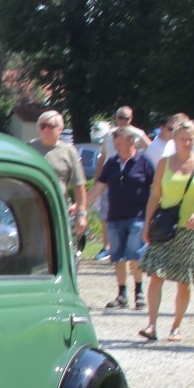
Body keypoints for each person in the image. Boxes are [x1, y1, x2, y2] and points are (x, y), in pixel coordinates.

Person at [138, 119, 194, 342]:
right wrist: (147, 225)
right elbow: (155, 195)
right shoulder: (164, 163)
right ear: (174, 139)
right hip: (164, 228)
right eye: (182, 138)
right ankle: (151, 325)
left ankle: (176, 326)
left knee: (184, 281)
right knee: (156, 276)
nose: (187, 142)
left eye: (191, 138)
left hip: (190, 230)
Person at [91, 127, 157, 310]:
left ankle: (139, 292)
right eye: (115, 144)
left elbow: (156, 188)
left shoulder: (143, 162)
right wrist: (81, 205)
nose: (117, 147)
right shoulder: (112, 162)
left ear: (131, 142)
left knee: (134, 254)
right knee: (118, 256)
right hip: (115, 217)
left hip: (137, 217)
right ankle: (122, 294)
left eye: (119, 143)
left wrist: (156, 211)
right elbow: (99, 187)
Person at [29, 110, 88, 244]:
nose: (45, 130)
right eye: (42, 126)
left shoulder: (69, 151)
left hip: (58, 208)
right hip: (31, 206)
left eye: (49, 126)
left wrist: (81, 214)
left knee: (57, 246)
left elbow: (79, 185)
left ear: (60, 129)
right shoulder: (29, 148)